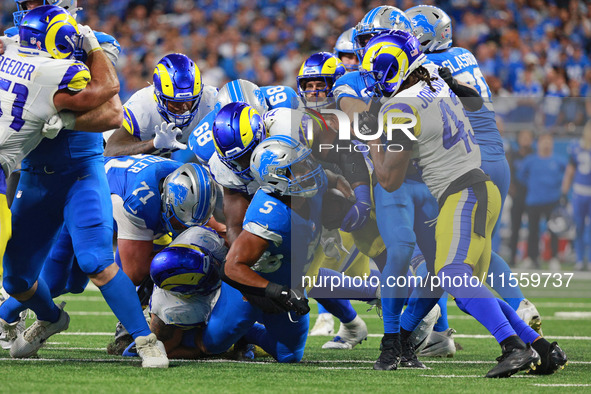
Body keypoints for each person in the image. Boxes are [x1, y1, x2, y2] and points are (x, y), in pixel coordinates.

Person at [362, 29, 566, 377]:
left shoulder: (400, 106)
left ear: (394, 67)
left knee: (453, 275)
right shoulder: (435, 84)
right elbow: (473, 102)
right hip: (481, 188)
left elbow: (388, 179)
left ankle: (513, 347)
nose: (374, 81)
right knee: (465, 285)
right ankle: (542, 348)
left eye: (376, 71)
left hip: (462, 193)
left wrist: (372, 139)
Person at [0, 5, 167, 367]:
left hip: (81, 171)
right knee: (15, 278)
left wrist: (62, 118)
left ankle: (145, 339)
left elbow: (111, 113)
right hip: (34, 174)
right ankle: (50, 319)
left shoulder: (91, 45)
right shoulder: (16, 43)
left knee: (95, 259)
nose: (27, 10)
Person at [406, 3, 542, 340]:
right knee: (477, 249)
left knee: (446, 255)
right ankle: (518, 303)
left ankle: (431, 330)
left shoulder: (426, 66)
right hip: (496, 159)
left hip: (466, 164)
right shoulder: (464, 55)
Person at [199, 135, 326, 363]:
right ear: (277, 178)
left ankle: (251, 334)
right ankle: (237, 329)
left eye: (305, 162)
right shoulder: (271, 214)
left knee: (289, 356)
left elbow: (335, 182)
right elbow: (232, 268)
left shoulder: (309, 190)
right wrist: (275, 291)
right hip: (250, 290)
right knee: (211, 345)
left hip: (286, 282)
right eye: (297, 167)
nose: (307, 170)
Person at [104, 53, 218, 161]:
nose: (183, 108)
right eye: (175, 103)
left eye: (189, 101)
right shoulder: (142, 107)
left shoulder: (210, 99)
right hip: (105, 157)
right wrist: (154, 143)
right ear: (159, 97)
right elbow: (111, 151)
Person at [518, 133, 567, 271]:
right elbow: (521, 176)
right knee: (532, 230)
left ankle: (554, 258)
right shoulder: (530, 160)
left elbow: (569, 173)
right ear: (538, 143)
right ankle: (531, 258)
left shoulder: (559, 160)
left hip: (553, 200)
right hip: (533, 200)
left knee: (553, 230)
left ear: (552, 144)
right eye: (543, 141)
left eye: (549, 141)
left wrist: (560, 188)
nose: (546, 143)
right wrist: (533, 185)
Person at [562, 122, 591, 271]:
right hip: (579, 192)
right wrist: (564, 192)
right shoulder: (577, 148)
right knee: (578, 227)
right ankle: (580, 259)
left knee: (589, 230)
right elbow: (570, 172)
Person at [508, 129, 534, 266]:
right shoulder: (512, 155)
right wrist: (512, 191)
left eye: (528, 137)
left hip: (532, 197)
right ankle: (513, 257)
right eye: (523, 137)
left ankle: (531, 257)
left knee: (533, 228)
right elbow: (509, 174)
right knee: (515, 227)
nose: (525, 139)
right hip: (517, 196)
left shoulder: (535, 156)